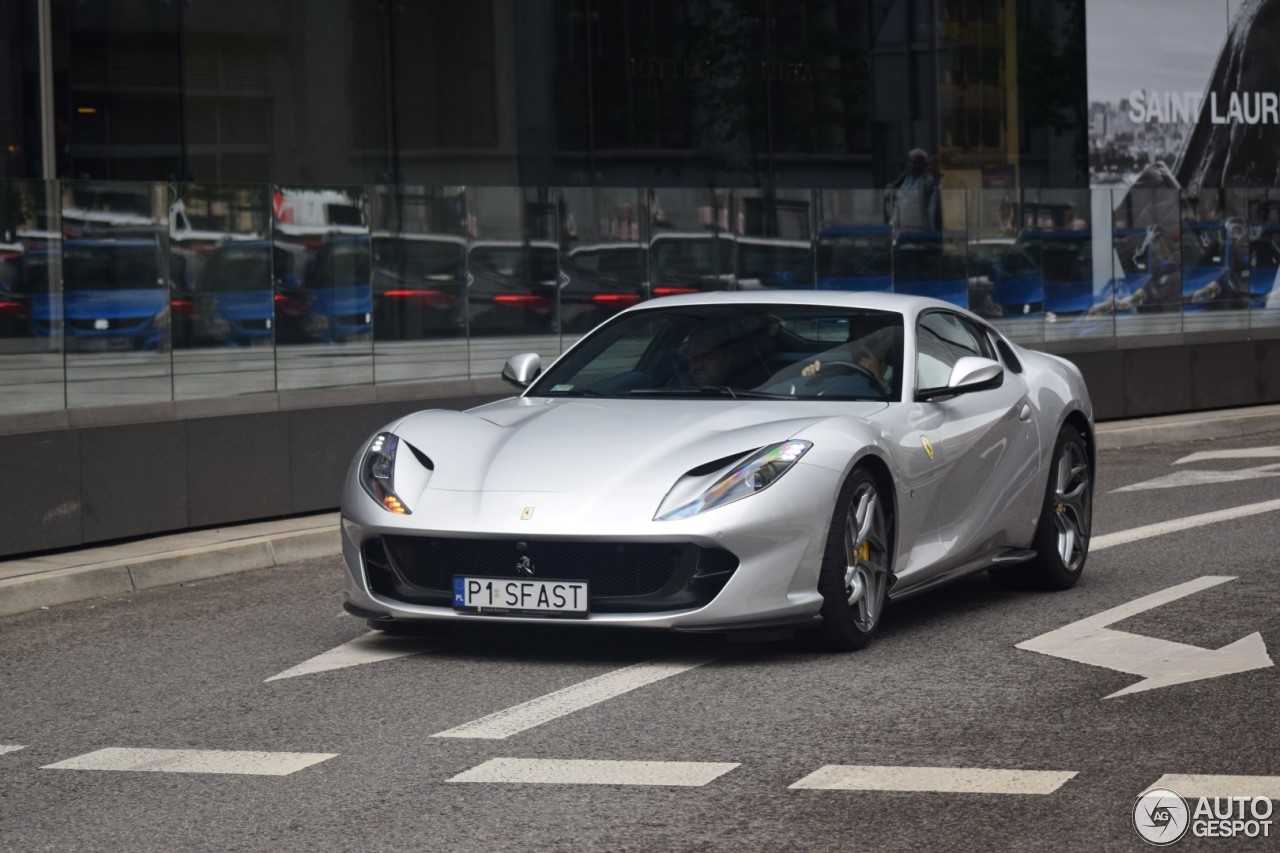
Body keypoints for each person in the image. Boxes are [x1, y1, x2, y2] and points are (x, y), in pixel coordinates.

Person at [889, 149, 938, 234]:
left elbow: (932, 209)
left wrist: (932, 232)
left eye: (916, 163)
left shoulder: (928, 182)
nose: (913, 165)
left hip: (921, 231)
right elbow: (898, 203)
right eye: (911, 162)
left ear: (924, 165)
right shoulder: (906, 180)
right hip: (902, 229)